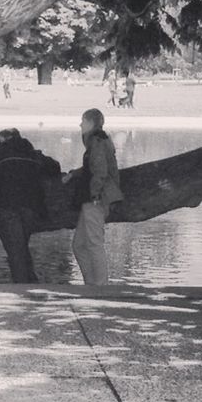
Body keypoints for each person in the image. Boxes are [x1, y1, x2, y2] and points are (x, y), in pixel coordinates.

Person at [0, 128, 61, 283]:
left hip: (6, 206)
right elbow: (55, 167)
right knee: (20, 249)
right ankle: (31, 287)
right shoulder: (33, 154)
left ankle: (23, 292)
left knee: (16, 253)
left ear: (5, 139)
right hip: (32, 207)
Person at [68, 107, 124, 285]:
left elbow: (100, 170)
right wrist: (73, 174)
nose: (80, 124)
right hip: (92, 198)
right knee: (79, 245)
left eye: (83, 121)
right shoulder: (97, 141)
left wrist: (95, 194)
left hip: (96, 198)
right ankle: (92, 284)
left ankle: (100, 286)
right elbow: (92, 166)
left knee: (93, 242)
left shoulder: (97, 141)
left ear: (91, 123)